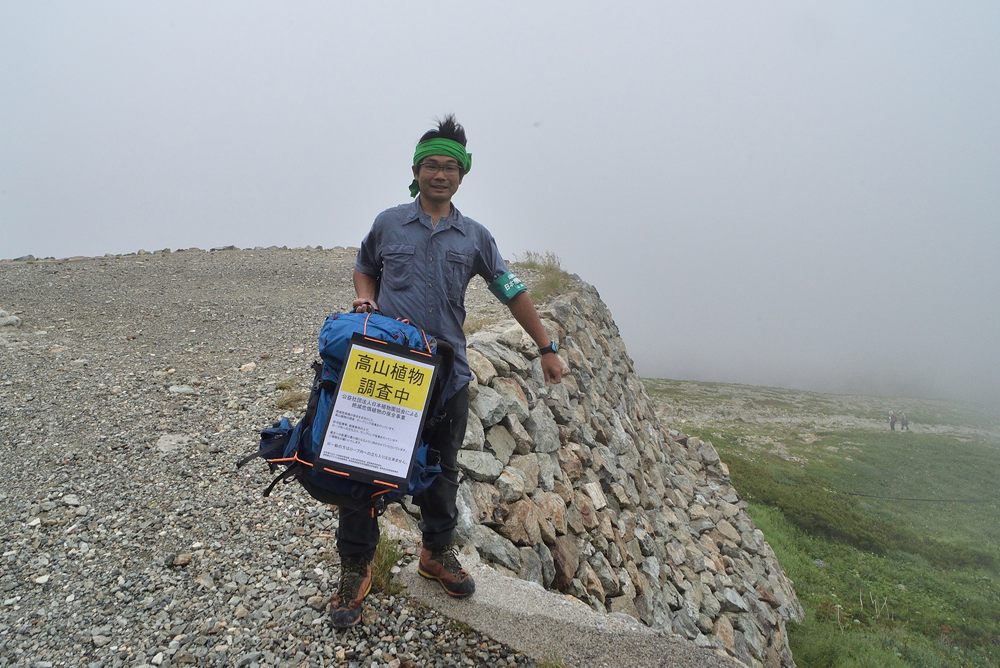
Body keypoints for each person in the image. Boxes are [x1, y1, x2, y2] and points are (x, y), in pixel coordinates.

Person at [329, 115, 563, 628]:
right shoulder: (389, 223)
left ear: (463, 174)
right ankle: (355, 566)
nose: (441, 173)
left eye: (450, 166)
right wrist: (365, 296)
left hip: (448, 374)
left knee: (442, 470)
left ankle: (435, 554)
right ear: (416, 171)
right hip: (389, 372)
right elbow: (365, 265)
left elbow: (510, 289)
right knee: (361, 470)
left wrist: (545, 345)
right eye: (432, 165)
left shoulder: (475, 237)